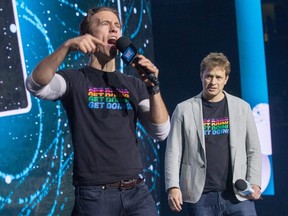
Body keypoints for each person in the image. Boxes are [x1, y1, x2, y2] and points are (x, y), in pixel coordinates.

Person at [26, 6, 170, 216]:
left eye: (117, 26)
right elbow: (35, 85)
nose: (114, 30)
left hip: (137, 193)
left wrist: (153, 88)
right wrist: (66, 46)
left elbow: (161, 131)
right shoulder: (74, 79)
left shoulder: (134, 84)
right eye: (105, 24)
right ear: (88, 36)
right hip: (95, 196)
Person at [165, 52, 262, 215]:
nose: (213, 82)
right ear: (201, 76)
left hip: (237, 196)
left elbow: (253, 149)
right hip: (200, 197)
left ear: (226, 79)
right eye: (209, 76)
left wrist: (255, 183)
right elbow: (173, 152)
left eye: (218, 77)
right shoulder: (184, 109)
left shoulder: (242, 108)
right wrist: (173, 187)